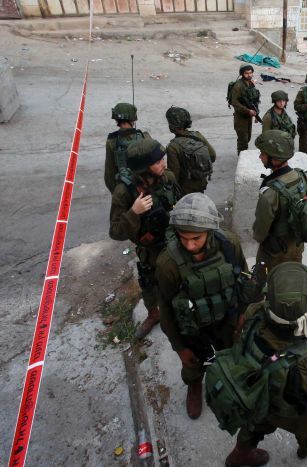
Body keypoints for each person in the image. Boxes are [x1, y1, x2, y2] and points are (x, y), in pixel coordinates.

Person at [223, 262, 307, 467]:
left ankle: (240, 454)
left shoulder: (254, 313)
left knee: (253, 425)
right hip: (290, 413)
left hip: (256, 393)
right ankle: (306, 448)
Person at [156, 193, 248, 419]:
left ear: (210, 231)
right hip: (193, 329)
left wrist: (244, 313)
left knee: (232, 356)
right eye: (183, 238)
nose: (189, 244)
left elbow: (244, 279)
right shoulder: (168, 263)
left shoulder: (229, 244)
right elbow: (166, 310)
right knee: (193, 365)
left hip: (227, 318)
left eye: (196, 238)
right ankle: (194, 385)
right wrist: (179, 347)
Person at [109, 139, 180, 339]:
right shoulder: (125, 191)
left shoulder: (168, 177)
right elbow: (115, 231)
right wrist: (134, 212)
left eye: (163, 159)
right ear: (143, 168)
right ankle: (153, 314)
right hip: (150, 249)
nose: (164, 164)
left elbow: (180, 202)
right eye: (158, 162)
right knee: (149, 283)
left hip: (174, 242)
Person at [253, 130, 307, 269]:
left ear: (275, 158)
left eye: (263, 153)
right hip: (297, 246)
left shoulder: (270, 194)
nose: (260, 156)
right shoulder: (304, 177)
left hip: (275, 254)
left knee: (264, 284)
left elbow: (259, 233)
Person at [165, 106, 217, 195]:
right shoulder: (197, 135)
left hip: (185, 191)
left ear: (173, 126)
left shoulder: (172, 147)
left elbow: (174, 177)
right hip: (201, 184)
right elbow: (212, 156)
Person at [105, 102, 150, 193]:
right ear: (132, 119)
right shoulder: (145, 136)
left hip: (124, 189)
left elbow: (109, 176)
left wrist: (118, 193)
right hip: (146, 188)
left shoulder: (112, 141)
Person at [228, 64, 261, 155]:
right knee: (243, 140)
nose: (249, 75)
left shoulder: (250, 83)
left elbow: (253, 99)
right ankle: (242, 158)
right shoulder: (238, 86)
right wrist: (247, 111)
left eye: (251, 73)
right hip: (241, 117)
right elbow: (235, 102)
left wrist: (255, 113)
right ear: (242, 74)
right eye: (246, 73)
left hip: (249, 116)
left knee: (248, 137)